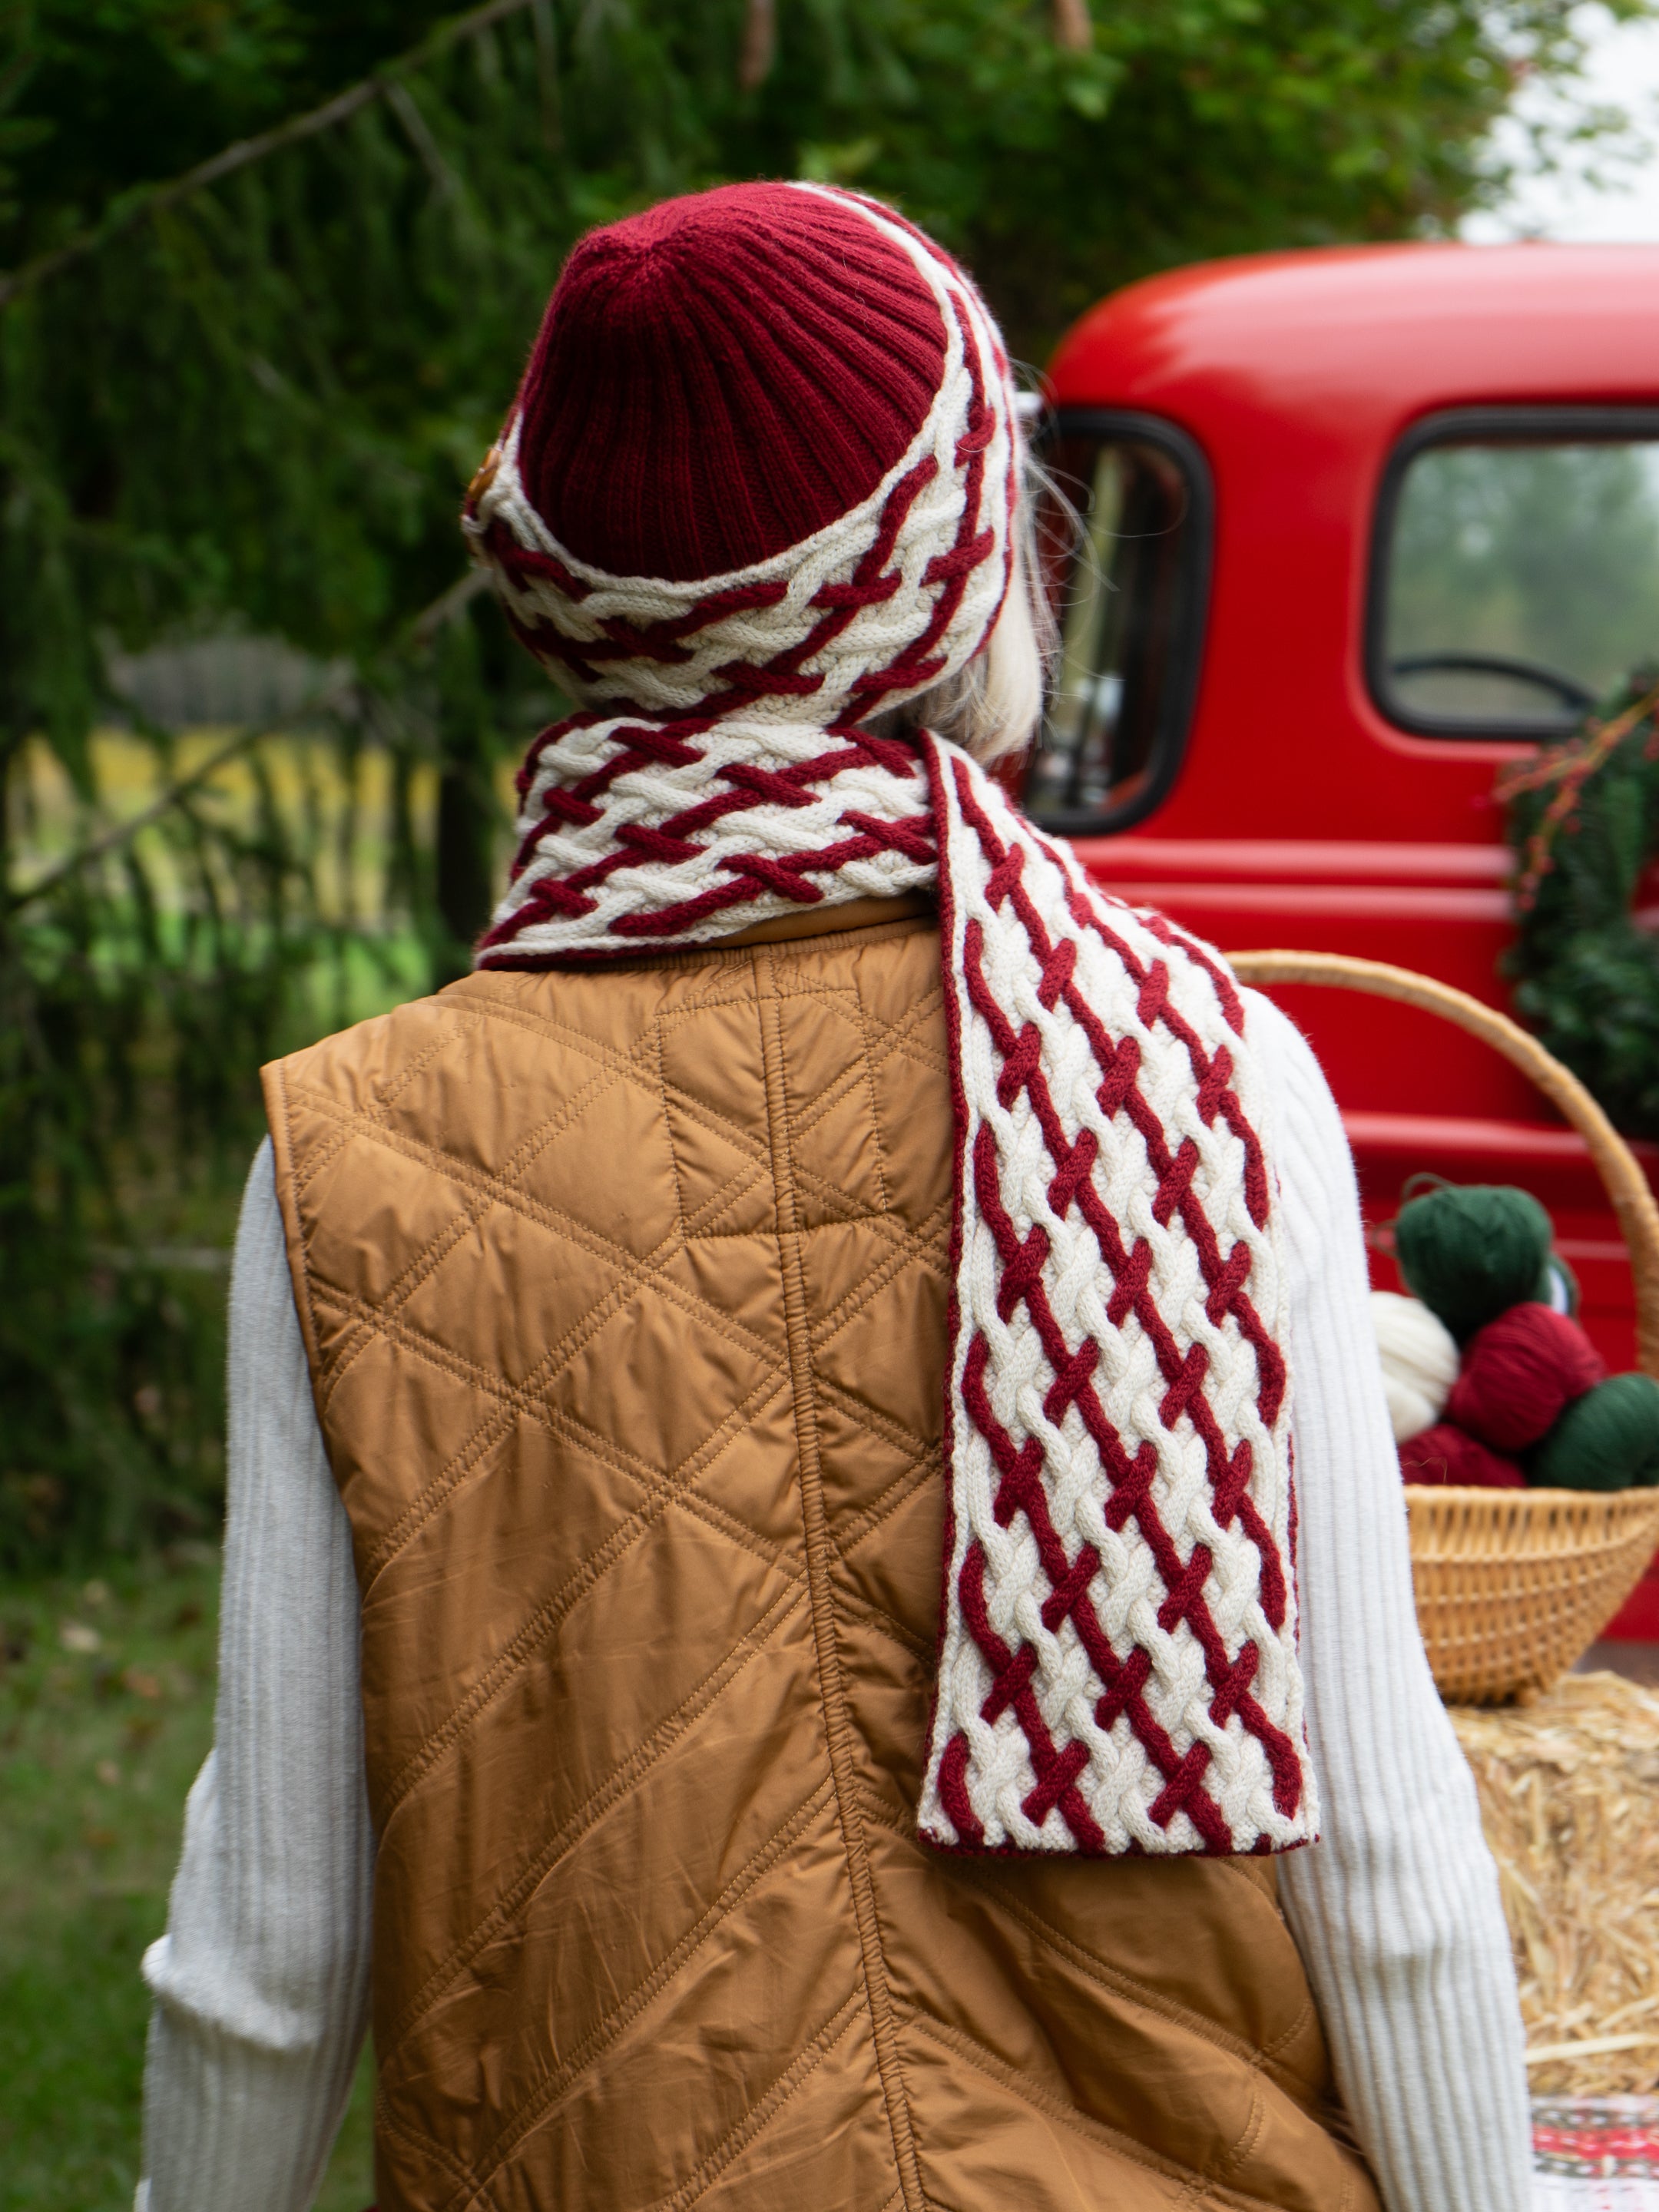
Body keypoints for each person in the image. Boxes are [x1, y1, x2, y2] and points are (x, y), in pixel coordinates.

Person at [136, 181, 1531, 2212]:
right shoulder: (1199, 1065)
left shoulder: (355, 1149)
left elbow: (270, 1961)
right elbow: (1386, 1869)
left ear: (565, 594)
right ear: (961, 572)